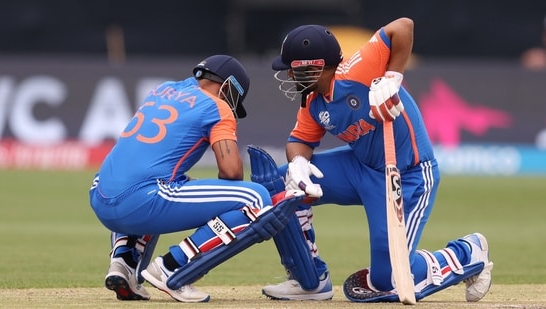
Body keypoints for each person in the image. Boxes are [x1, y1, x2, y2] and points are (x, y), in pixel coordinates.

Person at [258, 18, 494, 303]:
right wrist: (297, 164)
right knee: (281, 188)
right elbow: (299, 141)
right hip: (360, 169)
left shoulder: (358, 70)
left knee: (387, 279)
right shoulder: (313, 102)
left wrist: (392, 77)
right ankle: (309, 280)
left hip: (408, 176)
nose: (289, 78)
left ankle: (467, 252)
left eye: (292, 70)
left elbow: (403, 26)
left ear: (313, 66)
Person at [89, 54, 297, 303]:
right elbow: (231, 173)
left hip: (100, 194)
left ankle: (123, 260)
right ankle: (173, 266)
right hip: (140, 201)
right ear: (229, 87)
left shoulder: (163, 89)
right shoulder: (217, 106)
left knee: (172, 181)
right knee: (255, 197)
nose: (232, 106)